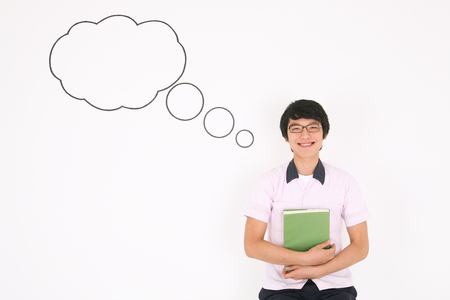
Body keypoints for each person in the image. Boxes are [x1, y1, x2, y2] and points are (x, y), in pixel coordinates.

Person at [244, 100, 370, 300]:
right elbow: (251, 245)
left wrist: (318, 270)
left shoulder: (345, 182)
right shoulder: (268, 182)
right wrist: (305, 259)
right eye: (296, 128)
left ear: (324, 134)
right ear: (286, 136)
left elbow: (361, 245)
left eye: (313, 128)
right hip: (282, 288)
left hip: (334, 286)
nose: (305, 135)